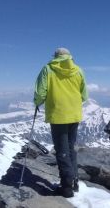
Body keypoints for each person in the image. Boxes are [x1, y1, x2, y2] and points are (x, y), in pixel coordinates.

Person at [34, 48, 88, 198]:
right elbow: (84, 94)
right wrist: (73, 104)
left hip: (58, 116)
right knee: (70, 148)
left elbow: (40, 92)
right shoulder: (78, 70)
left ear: (56, 56)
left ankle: (66, 188)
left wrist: (37, 103)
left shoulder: (48, 69)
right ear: (69, 57)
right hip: (74, 114)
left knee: (62, 150)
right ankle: (74, 181)